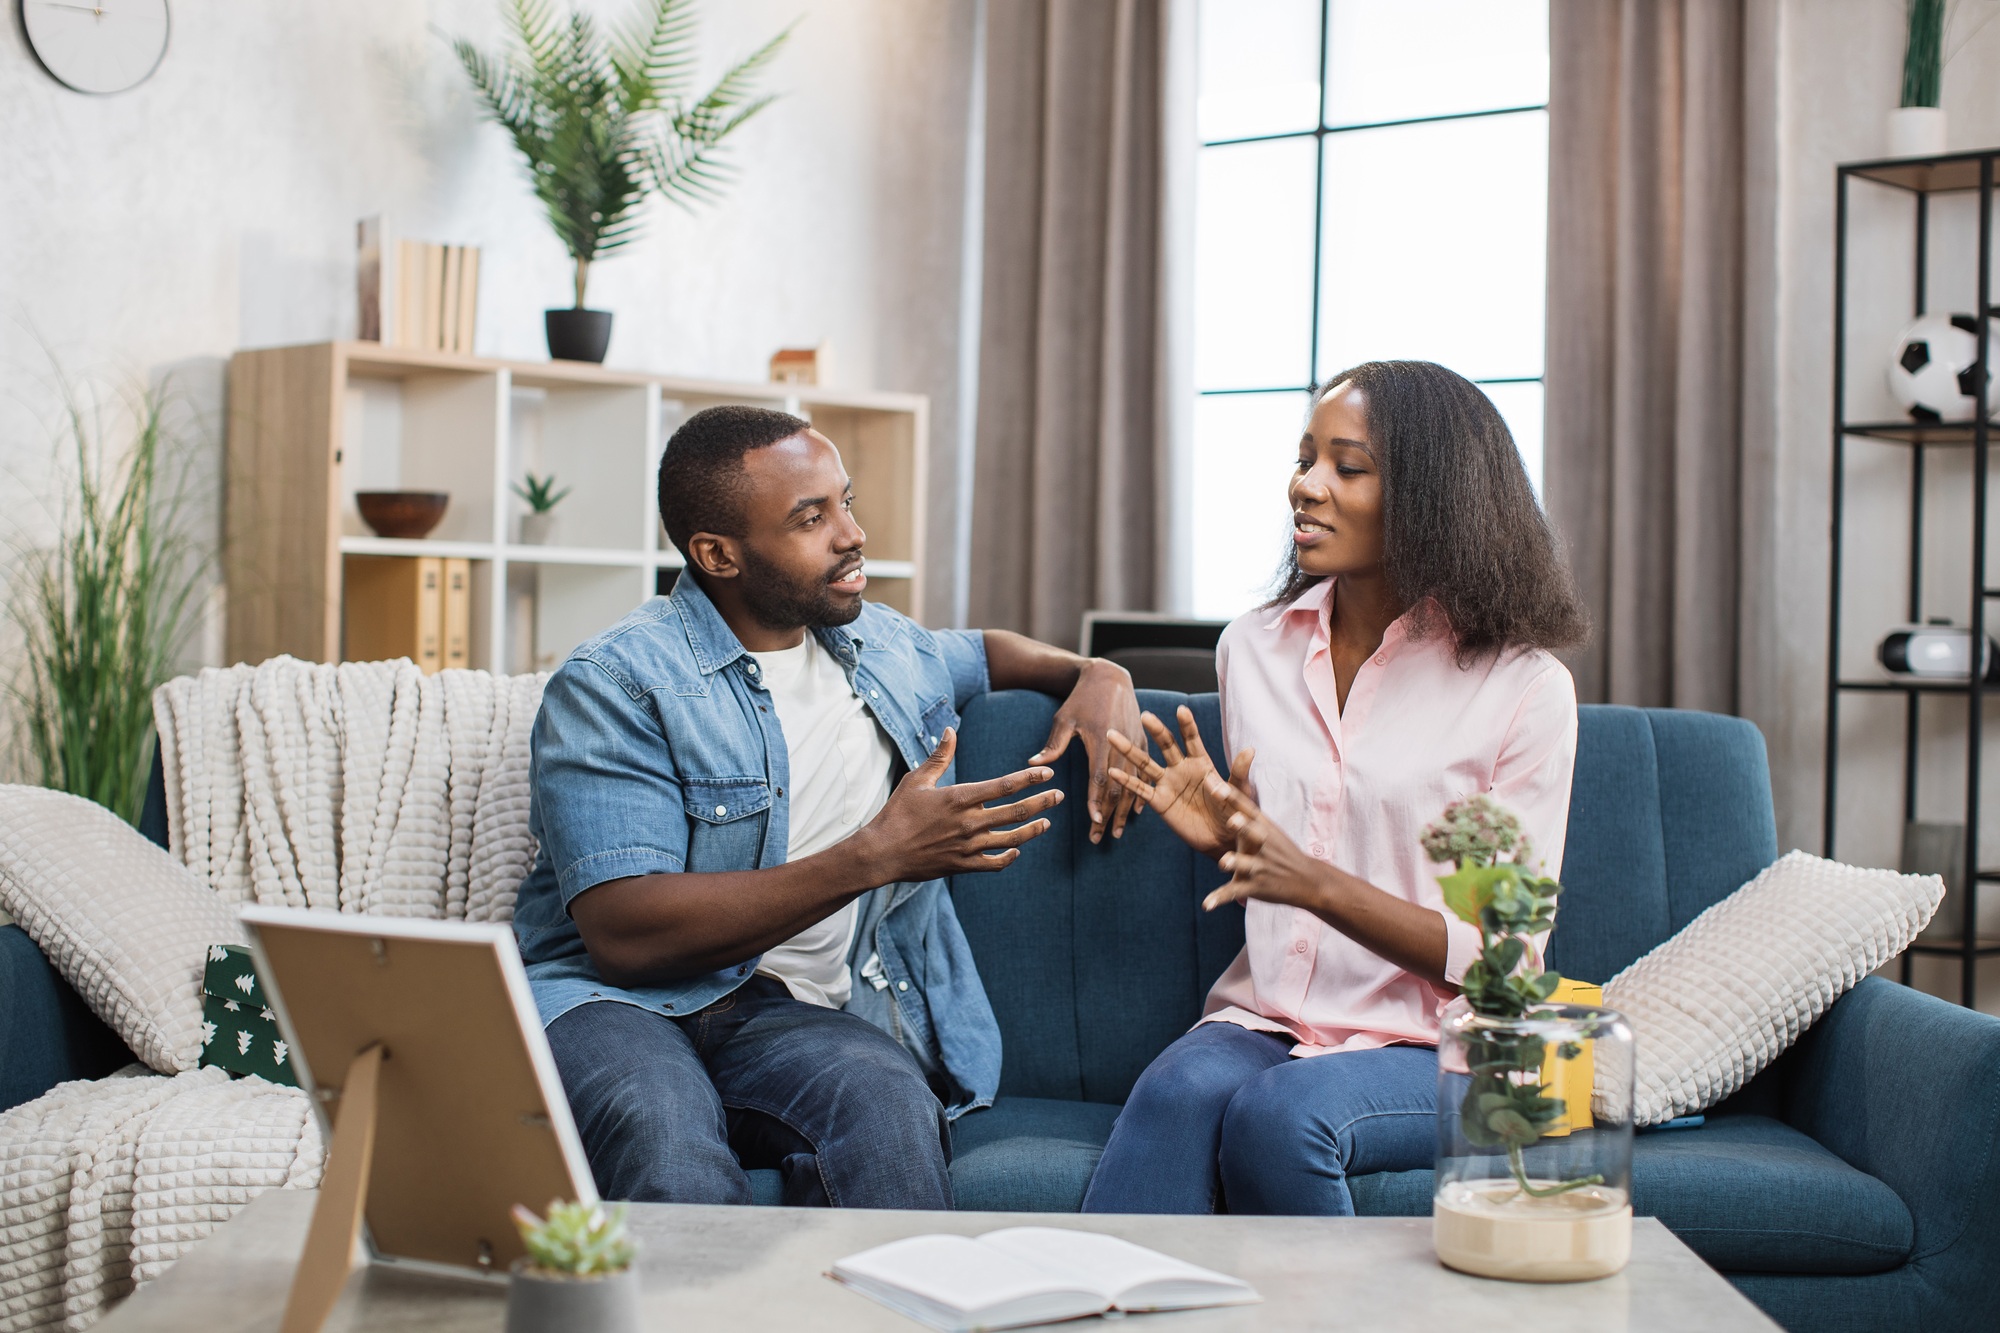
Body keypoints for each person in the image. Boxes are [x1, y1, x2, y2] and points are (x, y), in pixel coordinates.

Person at [512, 404, 1146, 1209]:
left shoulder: (883, 647)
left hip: (781, 1012)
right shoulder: (618, 681)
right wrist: (876, 855)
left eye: (845, 501)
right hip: (611, 1004)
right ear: (717, 553)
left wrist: (1098, 673)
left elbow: (984, 652)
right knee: (659, 1123)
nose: (853, 534)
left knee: (888, 1108)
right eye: (811, 518)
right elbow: (625, 934)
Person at [1080, 360, 1587, 1216]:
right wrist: (1235, 839)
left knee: (1281, 1118)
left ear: (1432, 495)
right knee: (1175, 1094)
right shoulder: (1252, 648)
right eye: (1304, 458)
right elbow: (1294, 846)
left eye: (1347, 467)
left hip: (1449, 1045)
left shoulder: (1524, 687)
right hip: (1271, 1018)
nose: (1305, 486)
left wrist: (1312, 881)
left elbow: (1505, 959)